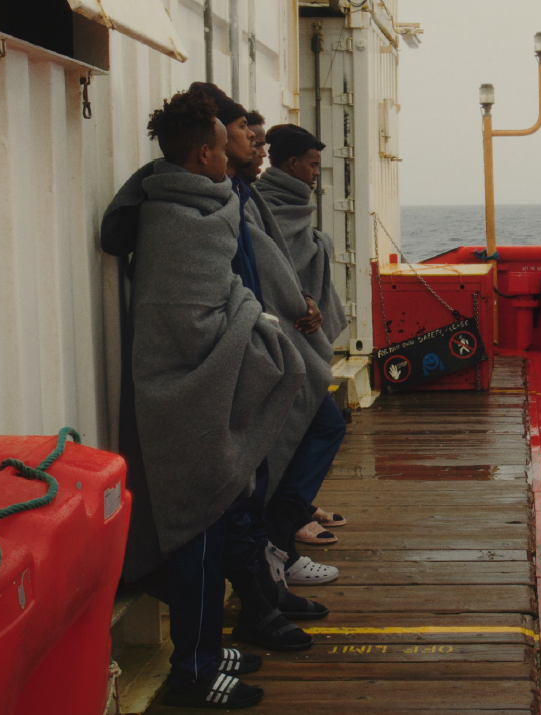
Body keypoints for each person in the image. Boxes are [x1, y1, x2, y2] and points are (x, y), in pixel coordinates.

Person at [100, 88, 302, 709]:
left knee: (210, 538)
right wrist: (251, 313)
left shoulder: (194, 204)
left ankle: (207, 647)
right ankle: (193, 671)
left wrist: (242, 308)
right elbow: (189, 322)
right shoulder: (176, 220)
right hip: (183, 400)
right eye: (220, 146)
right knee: (196, 539)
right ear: (202, 155)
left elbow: (219, 297)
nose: (227, 157)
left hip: (197, 394)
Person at [189, 83, 344, 592]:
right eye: (246, 137)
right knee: (305, 434)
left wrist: (302, 300)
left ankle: (272, 560)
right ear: (210, 144)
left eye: (259, 140)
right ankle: (275, 549)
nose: (258, 148)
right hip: (256, 341)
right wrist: (295, 305)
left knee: (300, 437)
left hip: (268, 333)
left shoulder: (245, 194)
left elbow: (269, 264)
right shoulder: (221, 199)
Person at [255, 124, 353, 559]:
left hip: (296, 332)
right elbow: (270, 272)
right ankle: (285, 521)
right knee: (324, 425)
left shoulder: (287, 203)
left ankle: (293, 510)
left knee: (314, 426)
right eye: (312, 165)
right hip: (281, 338)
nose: (316, 173)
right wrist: (301, 298)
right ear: (292, 164)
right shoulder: (265, 205)